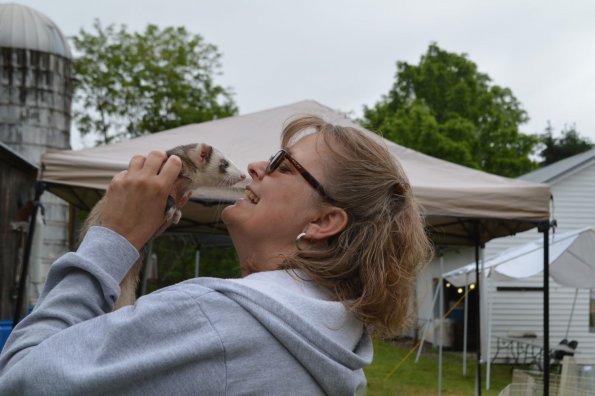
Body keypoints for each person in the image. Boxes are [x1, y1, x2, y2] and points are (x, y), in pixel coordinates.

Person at [0, 115, 431, 395]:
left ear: (323, 222)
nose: (257, 165)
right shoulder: (336, 343)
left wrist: (111, 238)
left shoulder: (211, 319)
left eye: (283, 165)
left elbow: (20, 380)